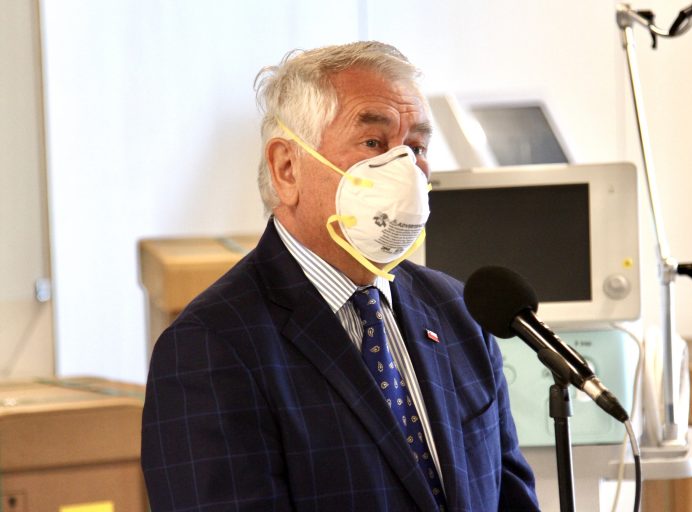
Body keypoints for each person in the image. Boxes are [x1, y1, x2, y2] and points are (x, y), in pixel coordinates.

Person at [141, 41, 539, 511]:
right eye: (373, 143)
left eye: (416, 148)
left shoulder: (459, 313)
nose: (405, 170)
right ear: (287, 168)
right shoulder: (211, 348)